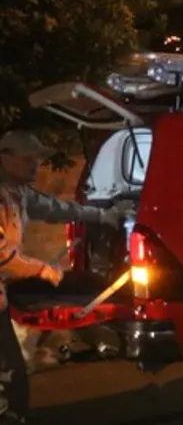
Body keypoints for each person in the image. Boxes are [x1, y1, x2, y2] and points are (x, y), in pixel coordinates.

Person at [0, 130, 130, 423]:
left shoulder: (18, 191)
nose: (35, 166)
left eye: (36, 159)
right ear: (5, 159)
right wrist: (42, 270)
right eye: (27, 159)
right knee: (11, 374)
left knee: (11, 370)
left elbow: (56, 209)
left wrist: (101, 216)